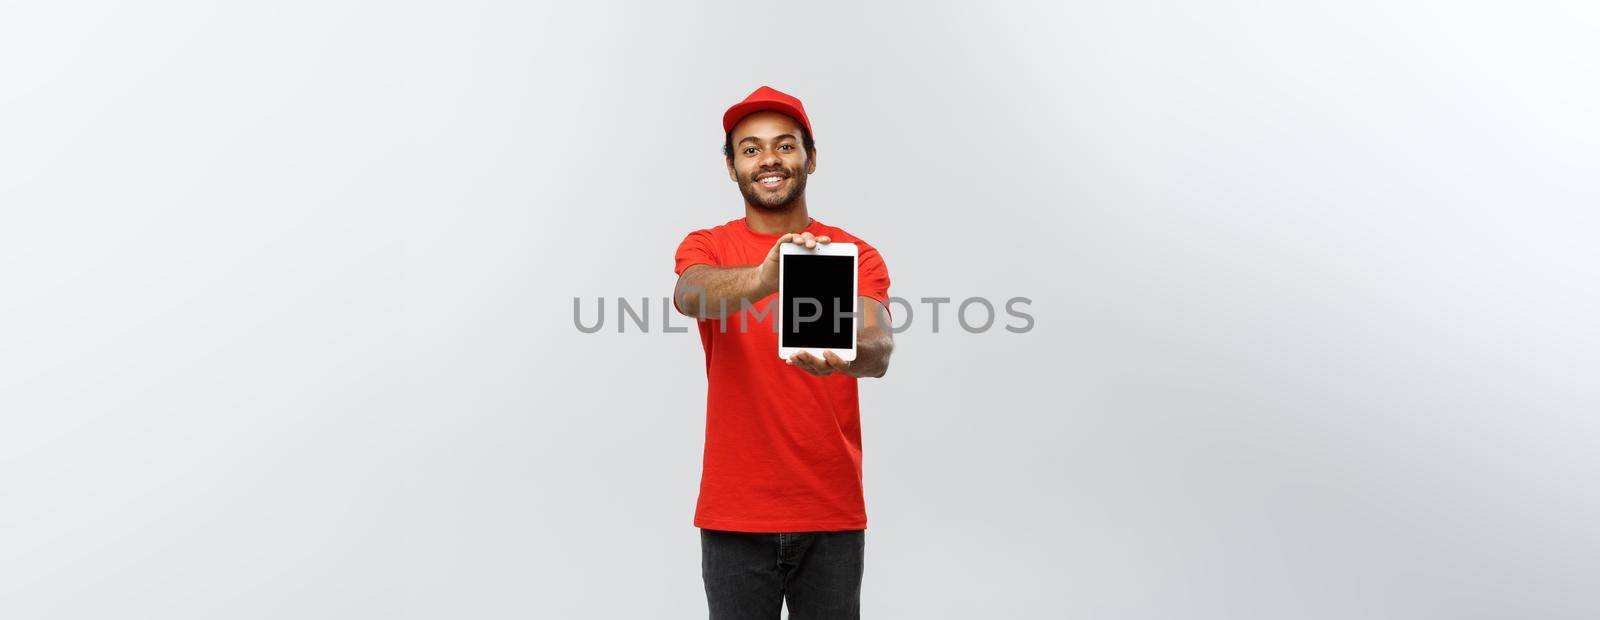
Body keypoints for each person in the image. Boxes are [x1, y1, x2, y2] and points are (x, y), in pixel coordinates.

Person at [672, 85, 895, 619]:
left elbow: (879, 346)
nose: (768, 159)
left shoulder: (852, 253)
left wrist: (847, 357)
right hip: (734, 514)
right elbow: (692, 294)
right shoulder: (708, 246)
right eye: (750, 149)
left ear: (810, 158)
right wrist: (767, 276)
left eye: (785, 145)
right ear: (732, 168)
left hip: (830, 511)